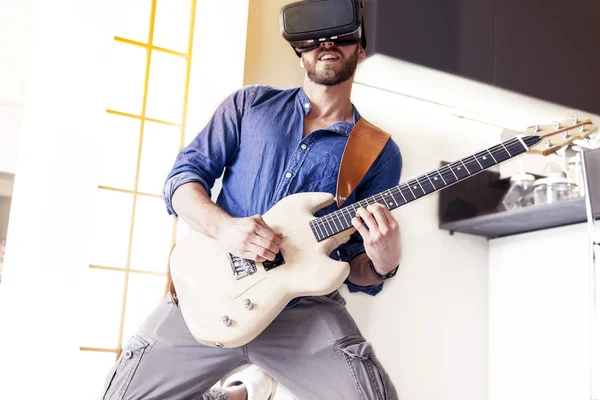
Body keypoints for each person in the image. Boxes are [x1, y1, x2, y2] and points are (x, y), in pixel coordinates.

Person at [101, 7, 403, 400]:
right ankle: (237, 394)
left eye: (342, 36)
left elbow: (356, 269)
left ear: (360, 51)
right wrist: (226, 228)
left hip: (303, 314)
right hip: (207, 296)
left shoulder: (379, 152)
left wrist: (384, 263)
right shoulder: (248, 105)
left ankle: (245, 387)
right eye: (314, 36)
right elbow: (181, 181)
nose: (326, 43)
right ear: (299, 48)